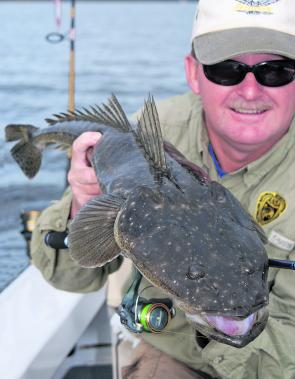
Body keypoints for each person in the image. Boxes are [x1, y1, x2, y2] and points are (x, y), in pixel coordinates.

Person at [31, 0, 295, 378]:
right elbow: (69, 277)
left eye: (276, 71)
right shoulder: (147, 133)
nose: (250, 91)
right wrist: (81, 204)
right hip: (168, 351)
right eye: (226, 69)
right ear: (193, 73)